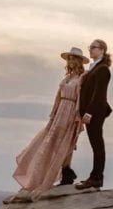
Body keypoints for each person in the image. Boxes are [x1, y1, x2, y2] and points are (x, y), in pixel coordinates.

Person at [13, 47, 88, 198]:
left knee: (67, 142)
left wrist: (78, 116)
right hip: (60, 111)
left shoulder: (83, 77)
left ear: (78, 61)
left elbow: (82, 97)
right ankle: (65, 172)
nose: (70, 62)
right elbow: (58, 96)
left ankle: (66, 172)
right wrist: (54, 113)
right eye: (69, 59)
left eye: (73, 59)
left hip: (71, 111)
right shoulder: (67, 77)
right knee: (52, 142)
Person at [75, 38, 112, 192]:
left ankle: (96, 178)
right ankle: (95, 176)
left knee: (97, 144)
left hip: (95, 112)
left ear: (102, 50)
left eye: (94, 48)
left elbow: (99, 94)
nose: (90, 50)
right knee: (95, 144)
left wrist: (89, 112)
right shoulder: (93, 68)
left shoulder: (103, 69)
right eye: (90, 47)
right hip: (92, 112)